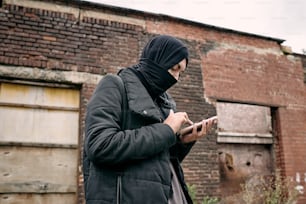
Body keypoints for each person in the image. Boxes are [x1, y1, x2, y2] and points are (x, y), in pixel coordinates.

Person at [83, 35, 217, 204]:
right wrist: (166, 130)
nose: (176, 78)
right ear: (158, 61)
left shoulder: (164, 102)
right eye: (174, 68)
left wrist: (181, 142)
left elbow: (155, 164)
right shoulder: (114, 86)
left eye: (180, 73)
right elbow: (100, 145)